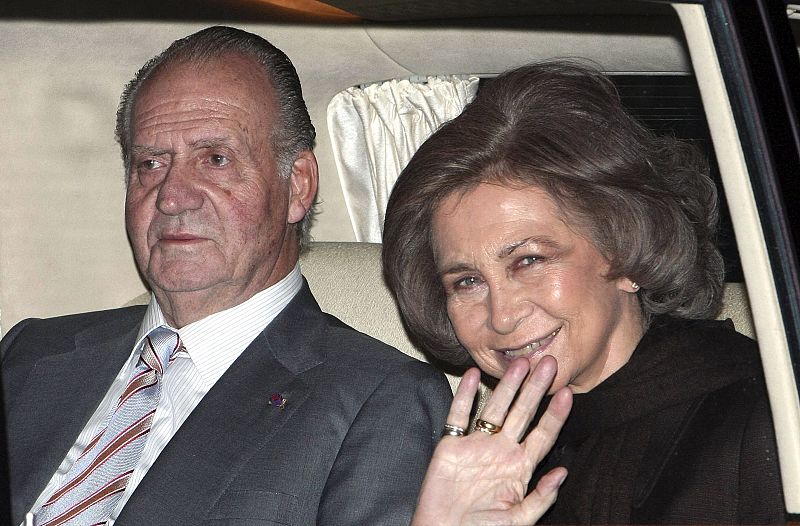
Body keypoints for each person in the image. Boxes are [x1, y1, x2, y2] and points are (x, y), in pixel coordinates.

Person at [2, 26, 456, 526]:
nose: (172, 196)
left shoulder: (378, 400)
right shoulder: (31, 353)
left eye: (215, 160)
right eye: (150, 163)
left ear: (298, 186)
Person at [383, 61, 786, 524]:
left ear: (628, 253)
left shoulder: (766, 419)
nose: (501, 316)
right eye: (467, 282)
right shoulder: (487, 471)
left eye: (529, 261)